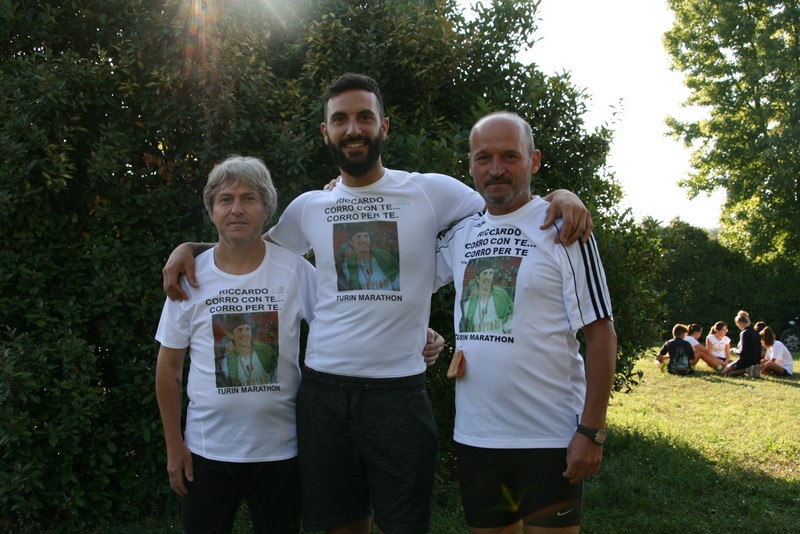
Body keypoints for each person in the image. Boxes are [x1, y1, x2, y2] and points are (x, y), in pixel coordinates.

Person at [162, 74, 593, 534]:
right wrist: (191, 249)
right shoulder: (309, 206)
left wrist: (559, 197)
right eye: (340, 120)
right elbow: (249, 249)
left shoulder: (432, 192)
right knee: (340, 526)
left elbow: (506, 203)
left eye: (364, 117)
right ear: (326, 132)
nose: (353, 128)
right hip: (325, 395)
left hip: (399, 395)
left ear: (383, 127)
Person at [434, 111, 616, 533]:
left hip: (549, 439)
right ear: (470, 165)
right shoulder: (461, 234)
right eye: (483, 158)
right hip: (476, 438)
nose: (495, 169)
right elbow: (404, 286)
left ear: (533, 161)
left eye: (509, 156)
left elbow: (601, 332)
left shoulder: (564, 230)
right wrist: (347, 190)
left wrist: (591, 430)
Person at [155, 156, 317, 533]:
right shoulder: (189, 278)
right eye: (225, 199)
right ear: (212, 211)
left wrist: (416, 333)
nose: (237, 209)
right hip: (207, 451)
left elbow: (342, 322)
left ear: (267, 209)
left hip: (281, 451)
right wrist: (174, 445)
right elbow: (168, 367)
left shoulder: (295, 271)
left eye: (249, 198)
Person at [337, 221, 400, 290]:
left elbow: (397, 283)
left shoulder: (384, 256)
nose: (363, 240)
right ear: (350, 241)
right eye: (358, 236)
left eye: (366, 236)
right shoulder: (347, 265)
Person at [459, 257, 514, 333]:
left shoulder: (502, 298)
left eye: (491, 273)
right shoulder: (468, 306)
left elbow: (509, 329)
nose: (488, 277)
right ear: (477, 278)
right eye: (485, 273)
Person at [721, 310, 762, 377]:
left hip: (745, 361)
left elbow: (742, 351)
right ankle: (749, 369)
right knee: (730, 373)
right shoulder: (756, 333)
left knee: (724, 372)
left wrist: (733, 350)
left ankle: (746, 369)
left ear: (739, 323)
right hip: (756, 362)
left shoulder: (744, 333)